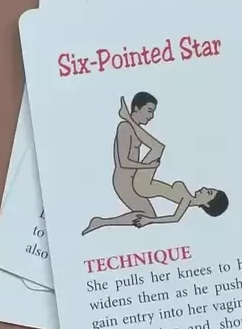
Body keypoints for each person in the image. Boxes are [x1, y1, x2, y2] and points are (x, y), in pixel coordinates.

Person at [82, 93, 230, 234]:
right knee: (147, 213)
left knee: (158, 148)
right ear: (137, 108)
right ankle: (101, 222)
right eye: (149, 111)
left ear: (207, 204)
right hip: (135, 181)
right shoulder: (124, 128)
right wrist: (148, 167)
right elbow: (123, 162)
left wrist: (150, 220)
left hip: (141, 184)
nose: (205, 188)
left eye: (209, 192)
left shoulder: (188, 200)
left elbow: (175, 218)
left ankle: (101, 222)